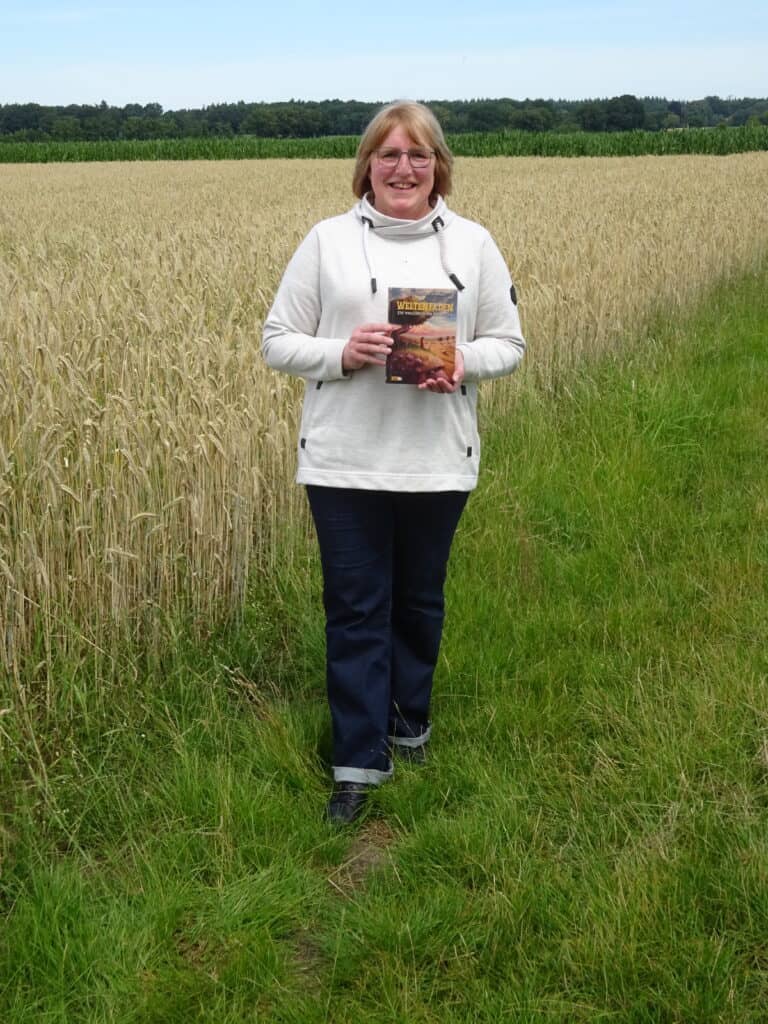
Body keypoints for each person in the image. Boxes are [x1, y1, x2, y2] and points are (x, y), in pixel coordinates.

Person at [262, 100, 525, 825]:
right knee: (354, 611)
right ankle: (357, 765)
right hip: (343, 463)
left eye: (418, 155)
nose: (403, 168)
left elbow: (510, 343)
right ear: (366, 167)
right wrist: (341, 354)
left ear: (439, 166)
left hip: (436, 461)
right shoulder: (326, 242)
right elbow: (277, 339)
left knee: (416, 601)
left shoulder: (472, 245)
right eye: (388, 155)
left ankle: (410, 727)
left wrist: (460, 361)